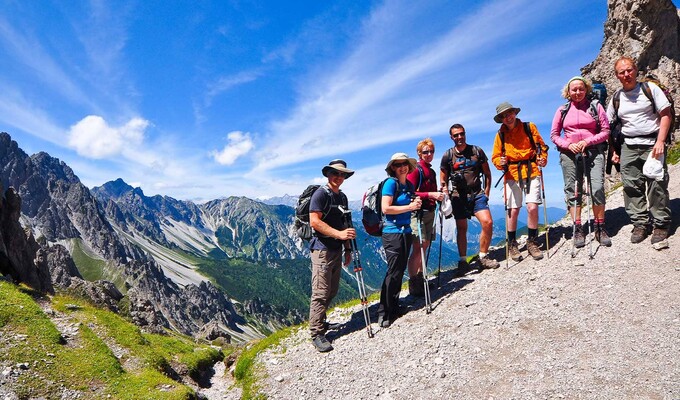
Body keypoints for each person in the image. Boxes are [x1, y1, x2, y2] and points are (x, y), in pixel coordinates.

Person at [607, 56, 672, 249]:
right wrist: (614, 151)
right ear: (617, 76)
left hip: (652, 143)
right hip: (628, 146)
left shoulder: (650, 89)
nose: (626, 74)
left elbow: (665, 114)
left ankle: (661, 223)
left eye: (629, 70)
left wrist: (660, 141)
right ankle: (640, 223)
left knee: (656, 183)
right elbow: (608, 125)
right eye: (621, 72)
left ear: (636, 70)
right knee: (630, 185)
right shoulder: (617, 97)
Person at [550, 76, 612, 247]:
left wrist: (587, 142)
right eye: (574, 89)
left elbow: (606, 131)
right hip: (569, 154)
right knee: (572, 190)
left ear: (587, 90)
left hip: (593, 151)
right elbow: (554, 135)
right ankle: (578, 228)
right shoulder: (562, 110)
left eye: (581, 89)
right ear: (568, 92)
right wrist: (569, 145)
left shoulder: (595, 106)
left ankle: (600, 227)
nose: (577, 92)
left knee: (597, 187)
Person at [308, 159, 356, 352]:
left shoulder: (342, 197)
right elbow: (314, 222)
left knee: (332, 290)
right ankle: (316, 333)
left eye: (342, 174)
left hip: (336, 249)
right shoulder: (321, 194)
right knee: (320, 292)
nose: (338, 177)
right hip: (321, 249)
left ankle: (322, 321)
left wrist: (348, 248)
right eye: (335, 173)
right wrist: (339, 235)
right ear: (328, 174)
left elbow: (345, 223)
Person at [491, 102, 549, 262]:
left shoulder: (529, 127)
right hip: (511, 173)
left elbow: (541, 147)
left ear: (514, 113)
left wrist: (542, 158)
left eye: (509, 113)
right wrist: (500, 163)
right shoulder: (500, 135)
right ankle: (512, 244)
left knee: (532, 206)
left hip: (531, 169)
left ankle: (532, 242)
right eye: (504, 116)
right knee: (513, 209)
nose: (508, 117)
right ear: (501, 119)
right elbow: (495, 156)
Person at [440, 124, 499, 272]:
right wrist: (445, 192)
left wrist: (486, 192)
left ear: (465, 134)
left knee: (487, 222)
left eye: (461, 134)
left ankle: (483, 257)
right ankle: (463, 261)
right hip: (457, 196)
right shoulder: (448, 155)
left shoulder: (476, 151)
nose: (459, 137)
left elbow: (487, 173)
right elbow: (442, 178)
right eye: (456, 135)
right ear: (451, 137)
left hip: (477, 194)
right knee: (461, 228)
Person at [378, 153, 422, 328]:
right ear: (393, 168)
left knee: (400, 269)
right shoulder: (390, 183)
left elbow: (409, 205)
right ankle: (384, 312)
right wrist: (410, 206)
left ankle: (394, 306)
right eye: (398, 165)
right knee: (393, 271)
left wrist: (416, 202)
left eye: (405, 164)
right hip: (392, 233)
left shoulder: (409, 185)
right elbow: (386, 208)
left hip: (405, 231)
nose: (402, 167)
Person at [406, 139, 444, 296]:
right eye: (425, 152)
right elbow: (410, 192)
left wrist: (438, 192)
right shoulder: (416, 170)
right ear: (419, 154)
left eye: (431, 151)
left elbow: (432, 190)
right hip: (418, 213)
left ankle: (420, 280)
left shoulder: (431, 171)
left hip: (429, 211)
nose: (429, 154)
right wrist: (431, 194)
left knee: (425, 245)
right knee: (418, 248)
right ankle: (414, 283)